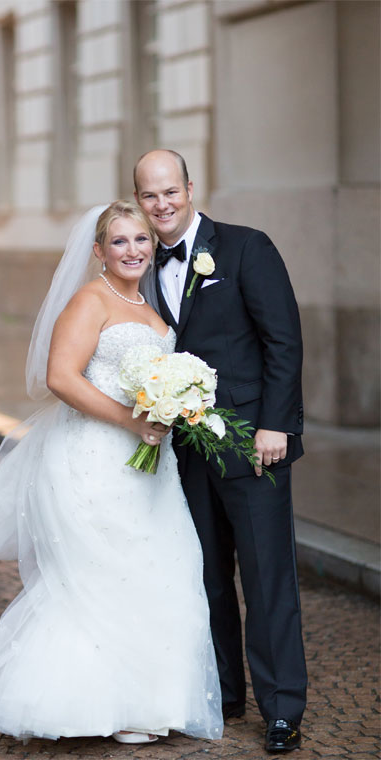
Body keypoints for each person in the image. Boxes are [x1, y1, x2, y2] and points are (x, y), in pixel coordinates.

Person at [0, 201, 223, 744]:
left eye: (140, 240)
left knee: (161, 569)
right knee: (100, 574)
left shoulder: (149, 303)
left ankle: (150, 701)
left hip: (151, 467)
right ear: (98, 251)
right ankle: (94, 705)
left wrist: (175, 405)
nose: (132, 251)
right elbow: (61, 377)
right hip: (95, 457)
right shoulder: (89, 300)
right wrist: (130, 421)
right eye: (119, 242)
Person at [134, 149, 306, 754]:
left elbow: (283, 340)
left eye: (170, 191)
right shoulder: (141, 262)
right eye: (150, 196)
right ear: (140, 200)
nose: (162, 205)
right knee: (205, 578)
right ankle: (226, 694)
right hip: (185, 450)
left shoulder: (245, 247)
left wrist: (276, 426)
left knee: (267, 580)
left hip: (252, 444)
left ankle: (282, 707)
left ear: (189, 186)